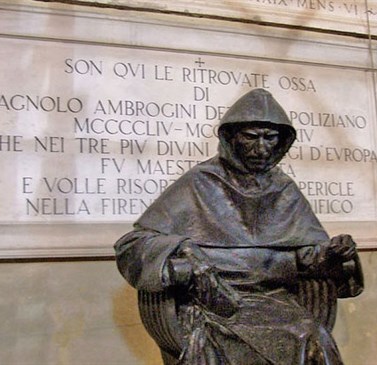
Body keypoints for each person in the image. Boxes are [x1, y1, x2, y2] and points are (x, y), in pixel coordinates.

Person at [114, 89, 364, 365]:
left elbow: (306, 258)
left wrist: (333, 254)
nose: (261, 148)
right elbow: (133, 244)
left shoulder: (283, 188)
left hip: (274, 302)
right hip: (214, 303)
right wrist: (182, 251)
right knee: (217, 340)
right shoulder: (200, 182)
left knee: (314, 338)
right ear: (231, 138)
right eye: (251, 137)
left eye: (270, 138)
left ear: (282, 141)